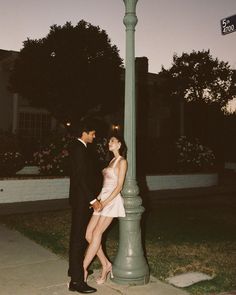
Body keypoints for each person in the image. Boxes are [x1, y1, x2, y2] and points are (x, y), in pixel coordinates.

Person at [83, 134, 127, 285]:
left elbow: (119, 186)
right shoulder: (112, 161)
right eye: (109, 140)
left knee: (96, 233)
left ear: (120, 145)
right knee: (89, 234)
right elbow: (105, 185)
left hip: (112, 201)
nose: (110, 143)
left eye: (113, 141)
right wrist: (97, 201)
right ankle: (106, 264)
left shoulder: (122, 161)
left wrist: (106, 202)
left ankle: (83, 269)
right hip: (102, 200)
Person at [68, 120, 102, 293]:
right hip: (82, 200)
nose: (94, 136)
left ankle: (74, 271)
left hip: (81, 199)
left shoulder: (79, 147)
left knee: (79, 237)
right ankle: (76, 281)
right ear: (84, 133)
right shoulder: (79, 148)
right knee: (78, 239)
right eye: (92, 133)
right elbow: (81, 177)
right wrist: (92, 200)